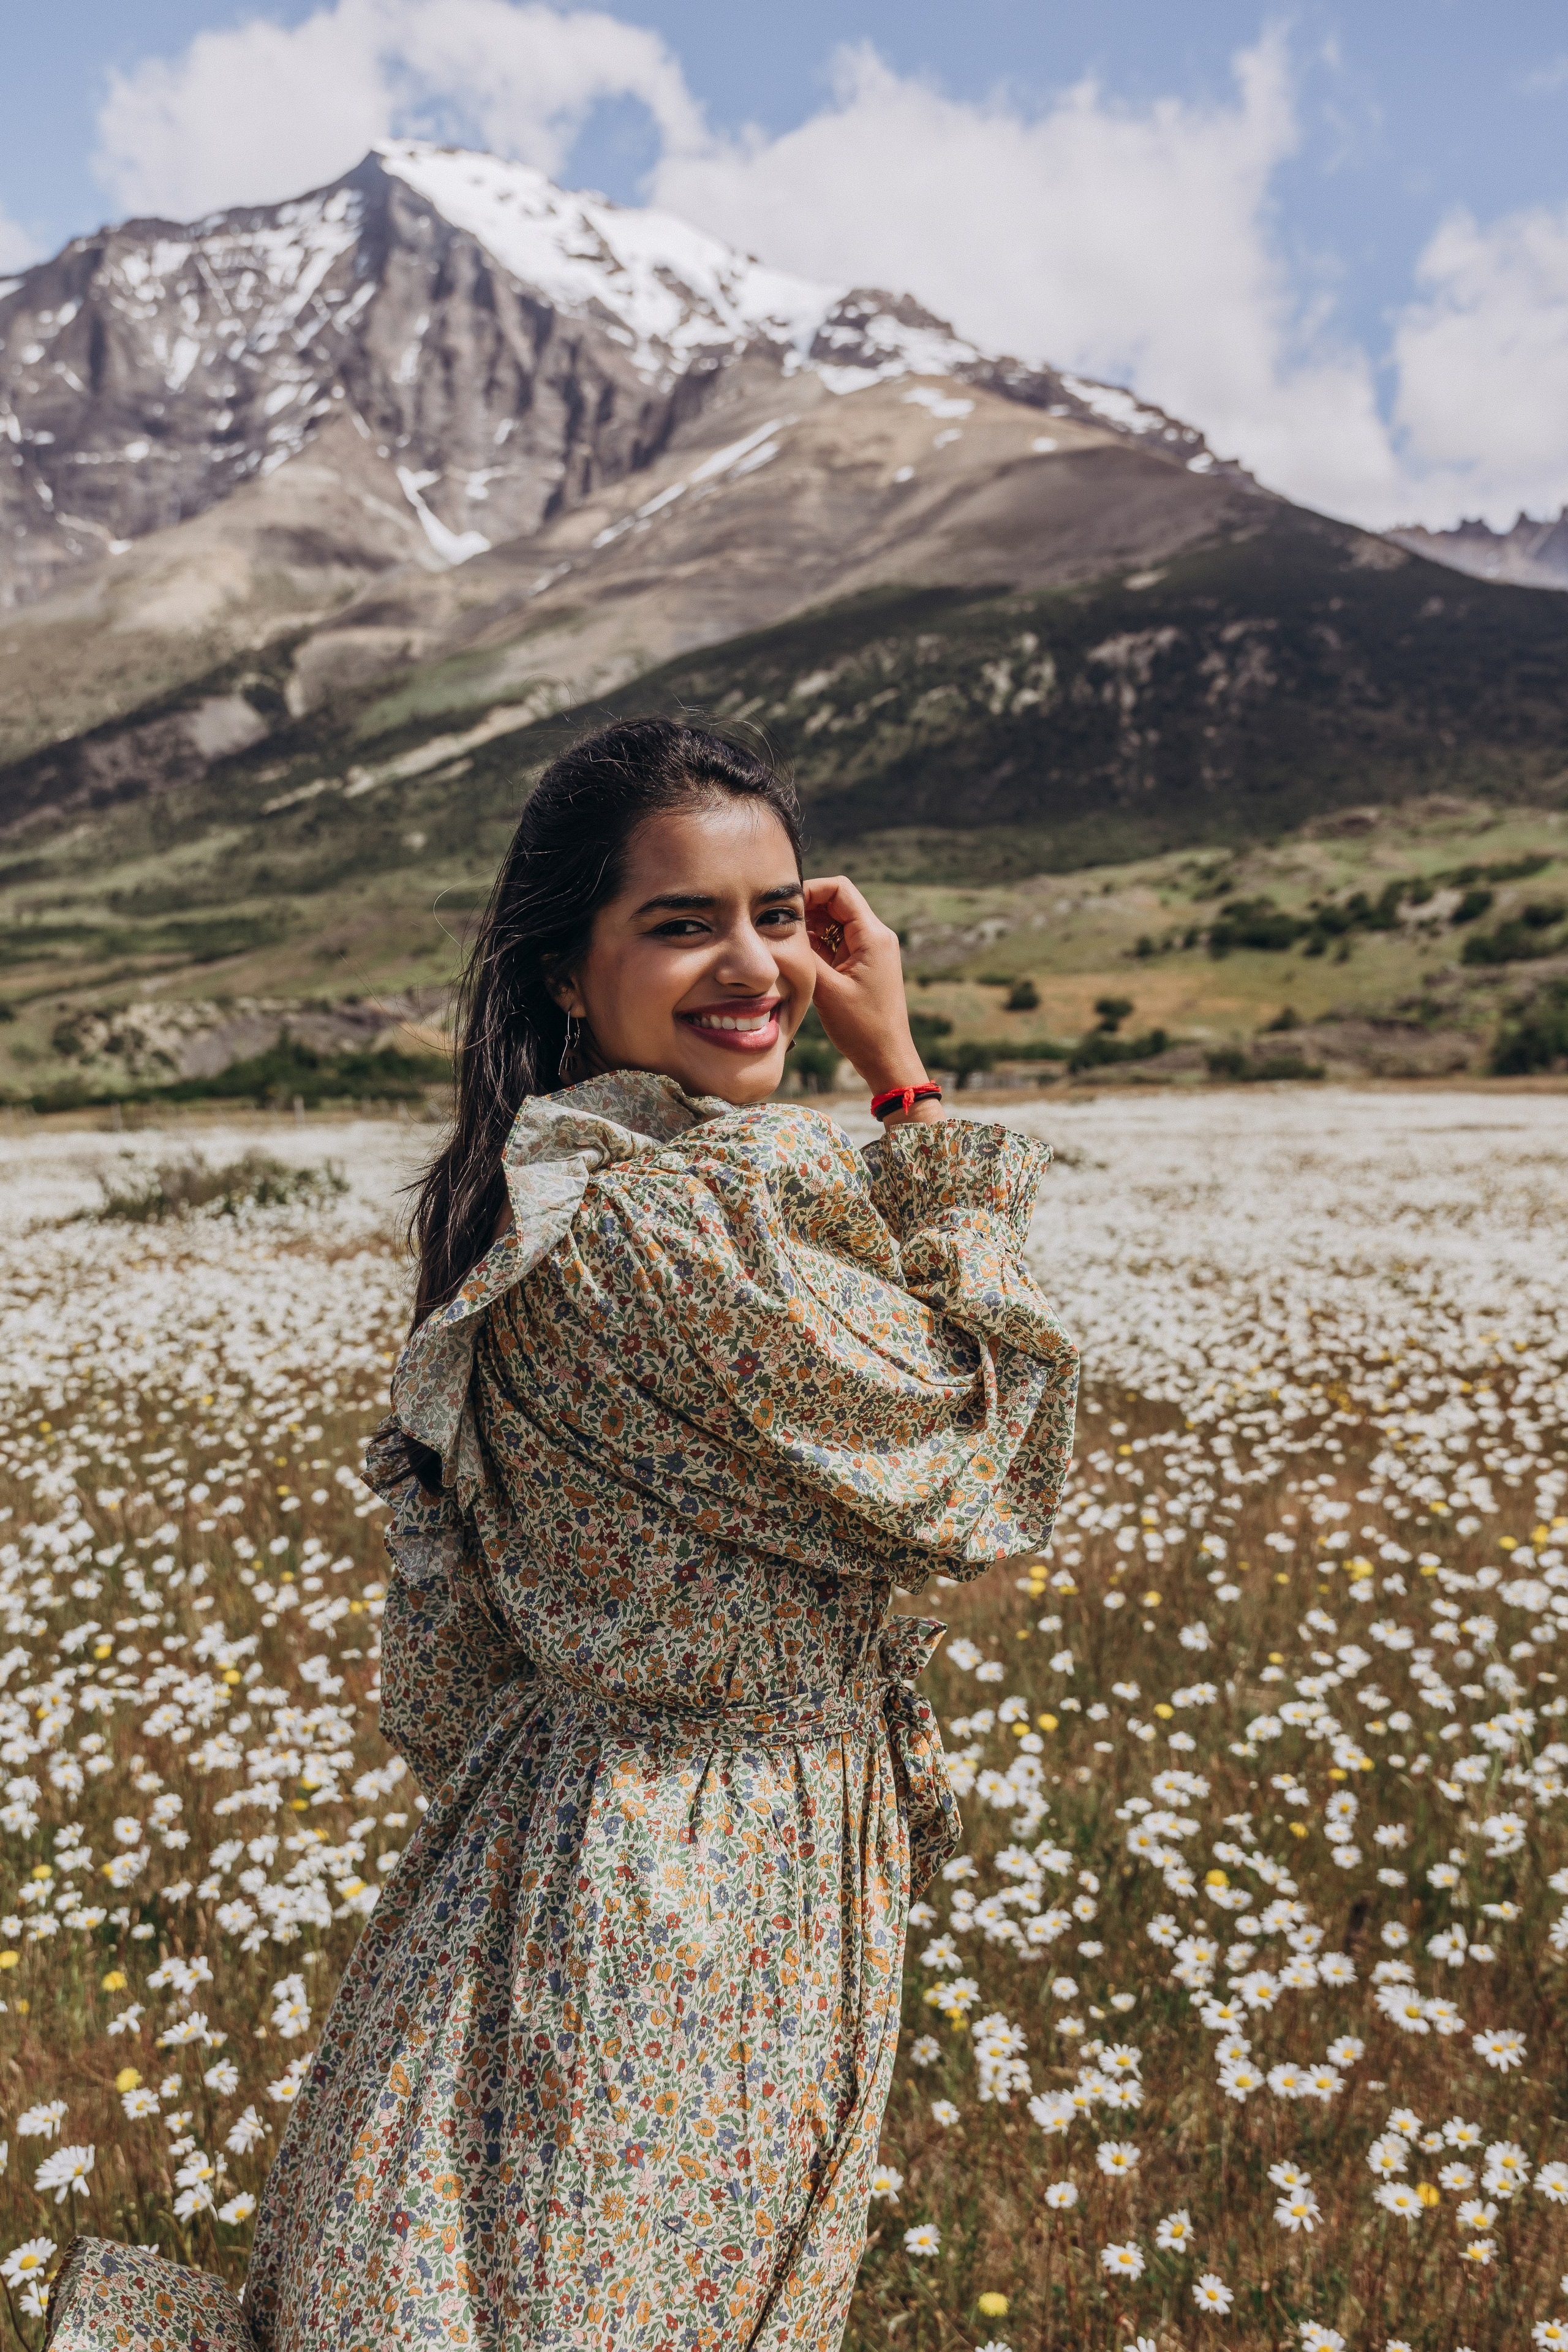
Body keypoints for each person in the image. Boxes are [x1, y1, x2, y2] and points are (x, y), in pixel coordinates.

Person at [46, 718, 1077, 2352]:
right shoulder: (659, 1232)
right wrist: (908, 1086)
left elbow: (449, 1678)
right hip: (686, 1897)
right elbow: (982, 1463)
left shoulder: (578, 1198)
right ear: (564, 976)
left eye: (780, 913)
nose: (754, 966)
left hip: (603, 1853)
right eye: (682, 924)